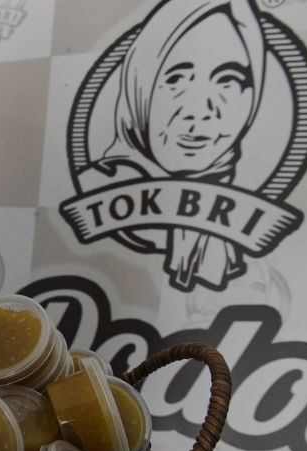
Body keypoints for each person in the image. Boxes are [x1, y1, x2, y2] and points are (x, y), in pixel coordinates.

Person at [79, 0, 265, 291]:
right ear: (139, 87)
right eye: (177, 78)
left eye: (228, 80)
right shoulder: (101, 181)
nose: (199, 110)